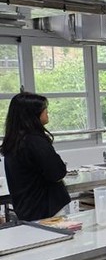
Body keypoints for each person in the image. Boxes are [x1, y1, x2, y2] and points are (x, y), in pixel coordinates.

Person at [1, 92, 70, 221]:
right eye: (44, 109)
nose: (47, 112)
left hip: (26, 208)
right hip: (46, 209)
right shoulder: (35, 141)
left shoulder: (13, 141)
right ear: (32, 114)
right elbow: (57, 172)